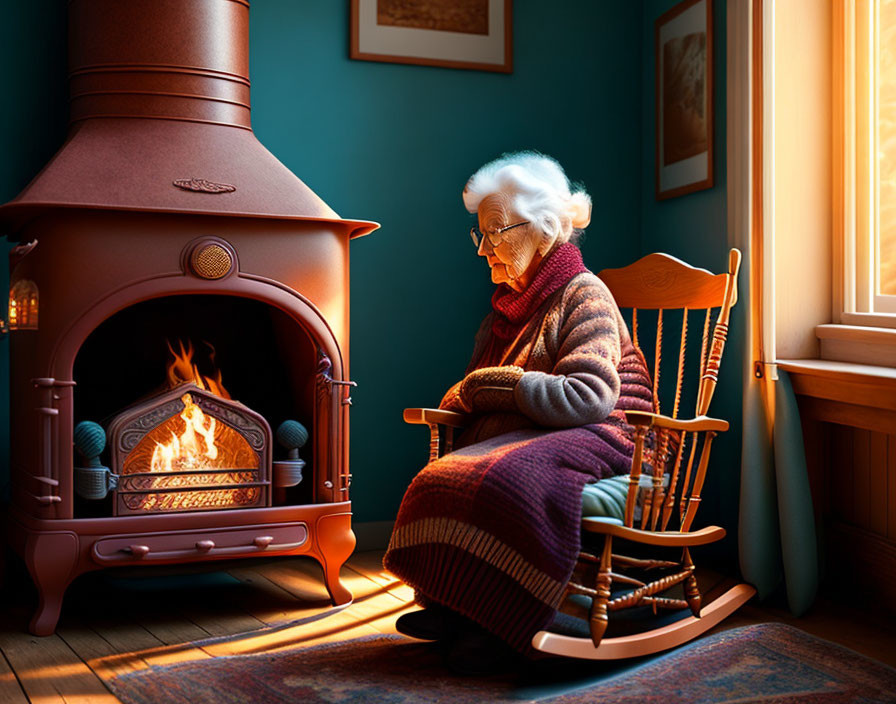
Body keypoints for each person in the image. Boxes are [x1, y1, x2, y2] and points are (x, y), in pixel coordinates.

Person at [383, 152, 652, 673]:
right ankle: (454, 605)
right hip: (542, 433)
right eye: (477, 235)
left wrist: (489, 384)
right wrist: (480, 392)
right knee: (444, 474)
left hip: (614, 433)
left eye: (495, 231)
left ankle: (511, 622)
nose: (483, 248)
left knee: (509, 481)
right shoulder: (505, 312)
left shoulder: (583, 293)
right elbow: (467, 399)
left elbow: (590, 394)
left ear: (545, 226)